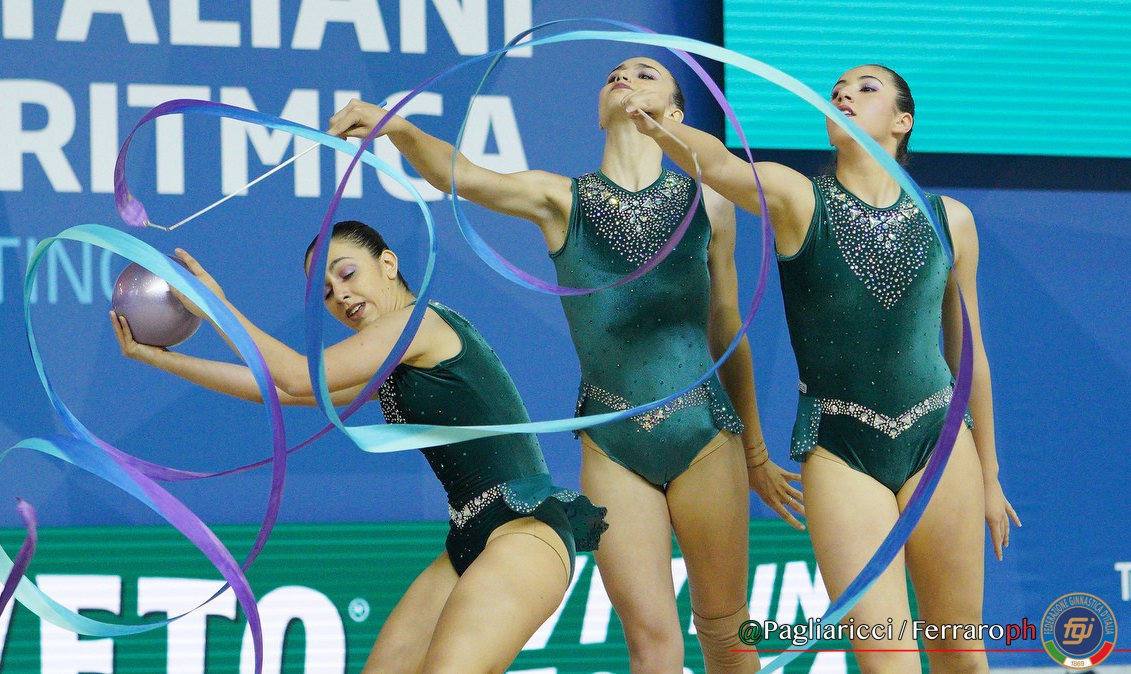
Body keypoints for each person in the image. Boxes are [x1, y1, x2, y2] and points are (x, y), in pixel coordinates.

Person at [328, 56, 804, 674]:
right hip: (613, 444)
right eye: (614, 74)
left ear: (676, 112)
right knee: (651, 643)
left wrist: (756, 453)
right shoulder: (560, 200)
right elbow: (461, 176)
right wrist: (398, 128)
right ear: (599, 112)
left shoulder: (710, 202)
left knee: (725, 628)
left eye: (646, 74)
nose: (624, 77)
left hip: (705, 432)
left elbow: (725, 326)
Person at [622, 64, 1022, 673]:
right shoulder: (797, 198)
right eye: (836, 92)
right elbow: (720, 164)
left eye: (865, 89)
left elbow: (970, 358)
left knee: (962, 656)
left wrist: (989, 476)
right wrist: (658, 127)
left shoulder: (951, 220)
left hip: (940, 444)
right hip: (841, 451)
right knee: (888, 661)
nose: (843, 96)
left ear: (903, 120)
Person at [110, 219, 607, 674]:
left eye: (347, 273)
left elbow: (298, 376)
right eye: (326, 293)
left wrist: (216, 307)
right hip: (467, 540)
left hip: (523, 534)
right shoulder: (390, 356)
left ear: (388, 263)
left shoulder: (417, 324)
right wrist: (160, 359)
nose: (340, 294)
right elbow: (281, 391)